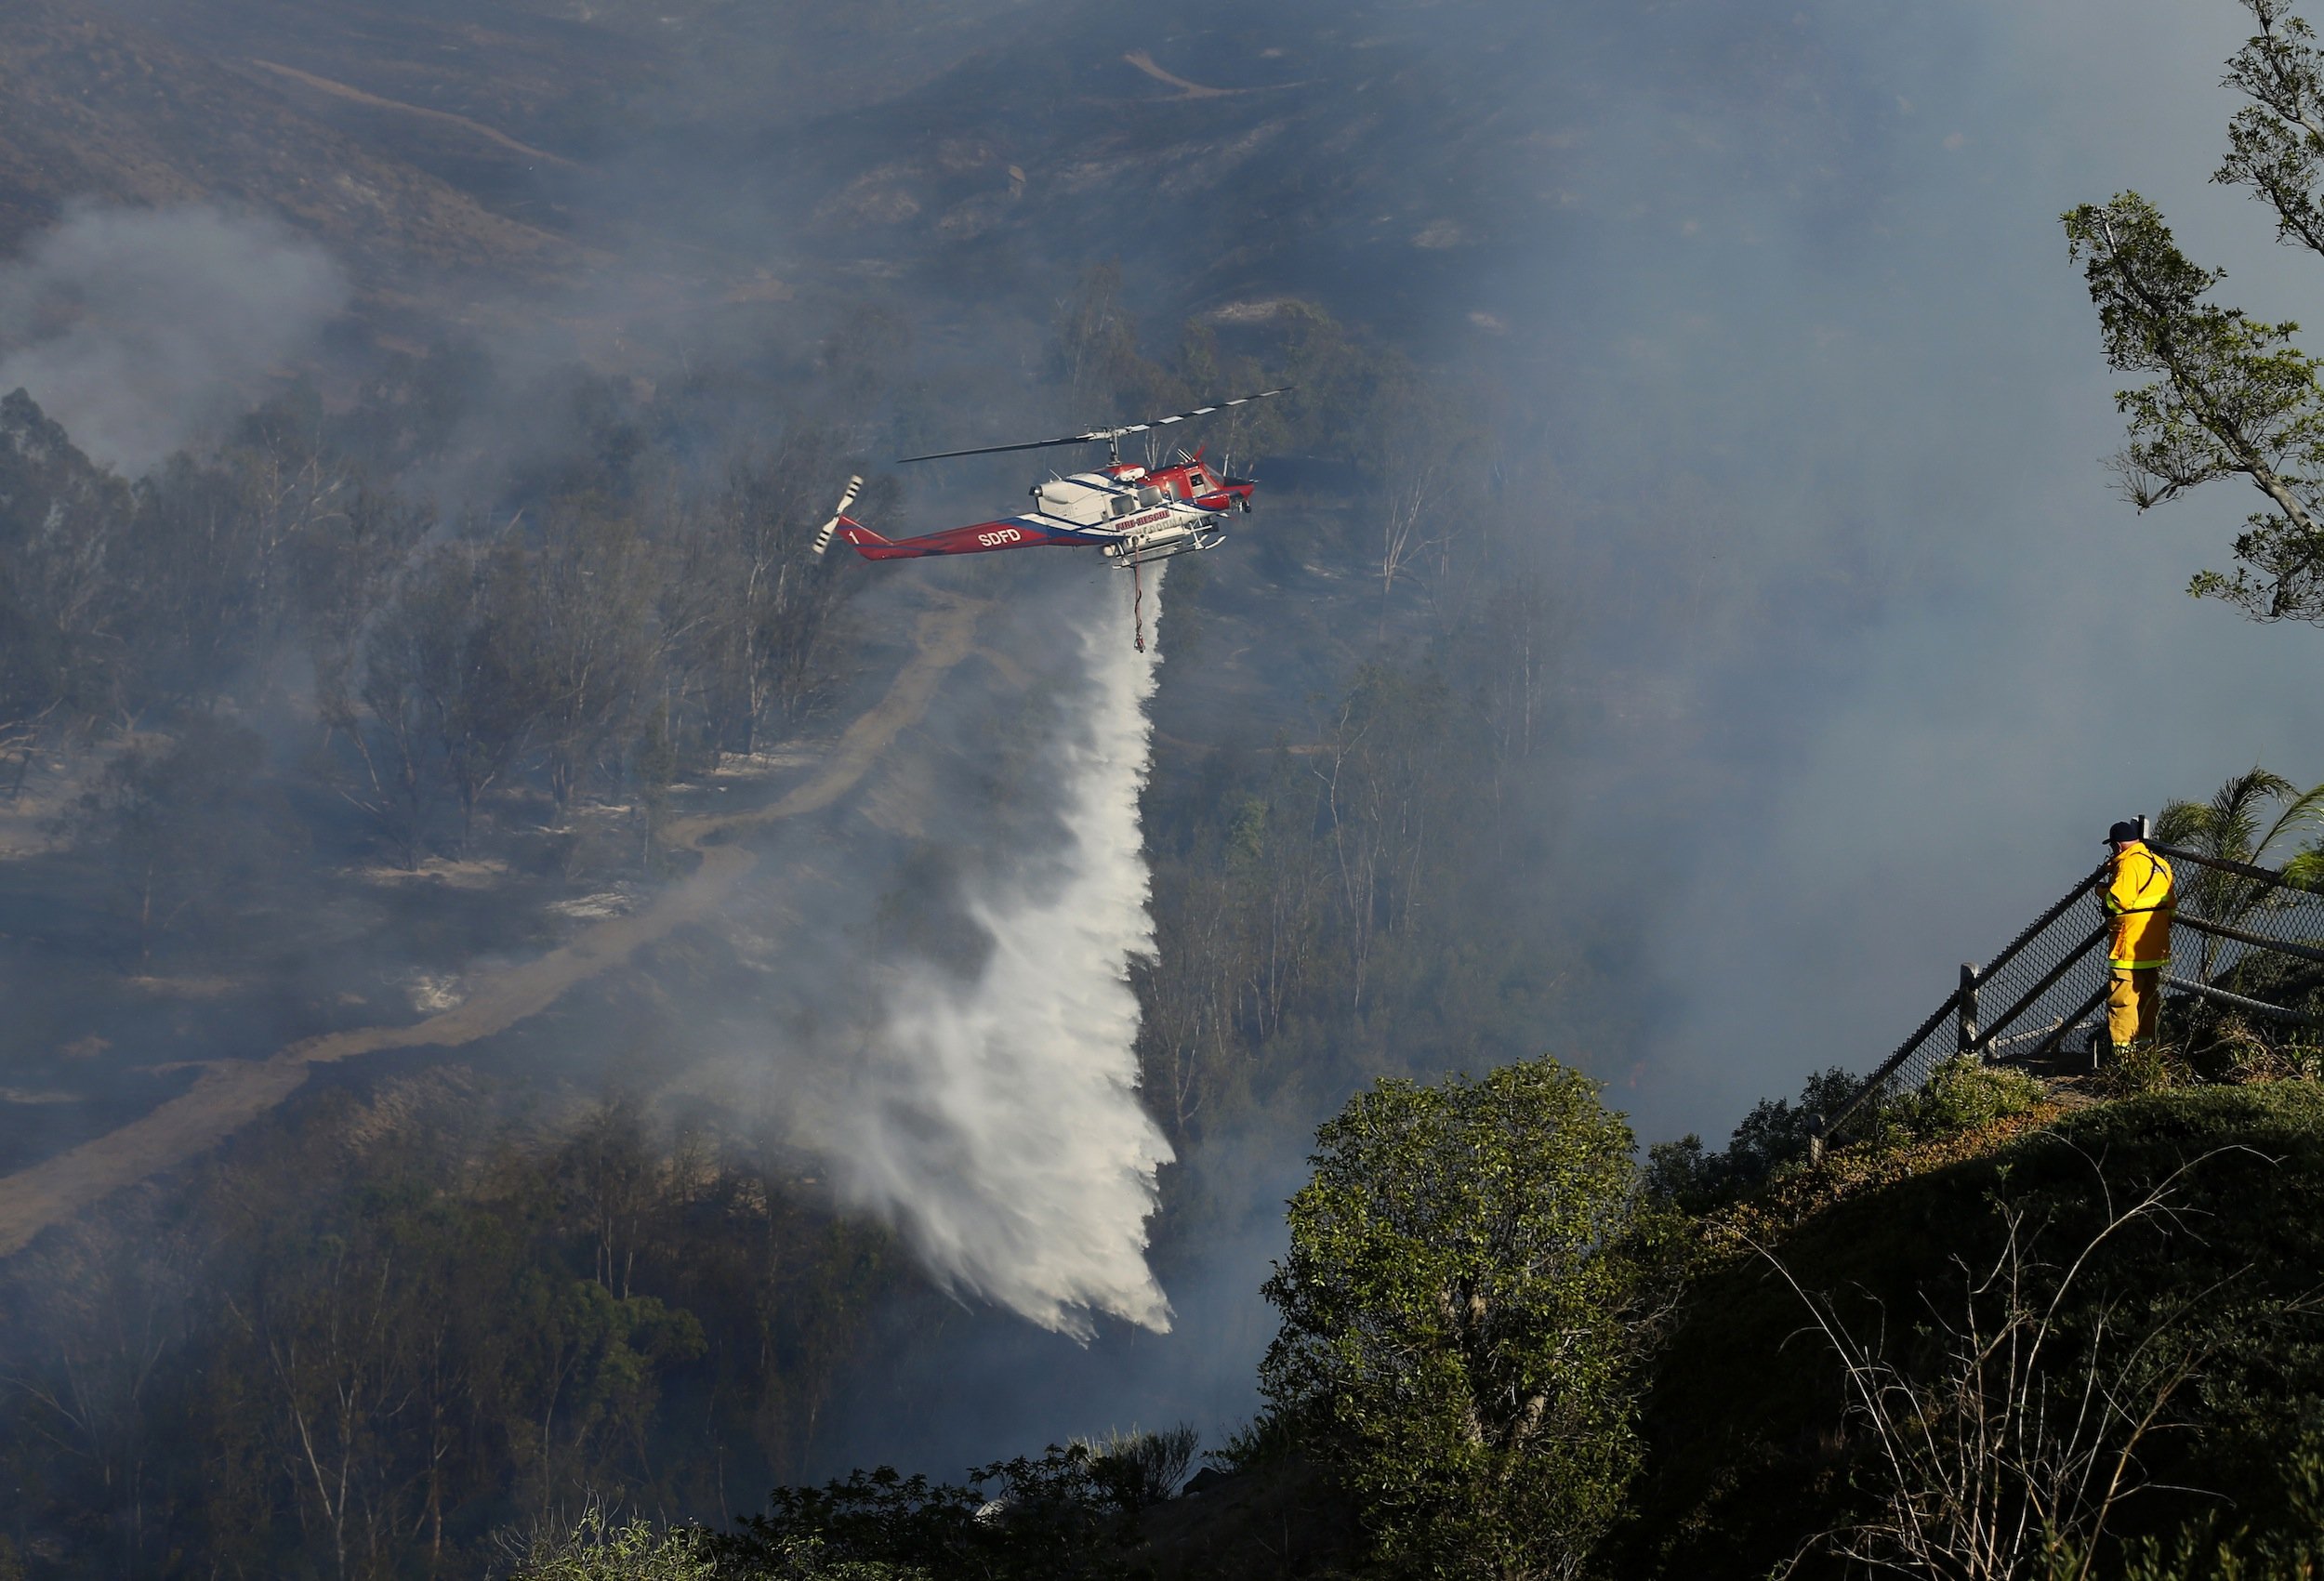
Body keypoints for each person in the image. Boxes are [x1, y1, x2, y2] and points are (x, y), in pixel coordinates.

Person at [2102, 819, 2175, 1055]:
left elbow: (2117, 900)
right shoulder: (2161, 864)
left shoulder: (2129, 865)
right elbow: (2171, 905)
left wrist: (2102, 892)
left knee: (2123, 1000)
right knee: (2148, 998)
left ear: (2118, 845)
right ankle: (2147, 1046)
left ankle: (2123, 1053)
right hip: (2156, 945)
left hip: (2129, 945)